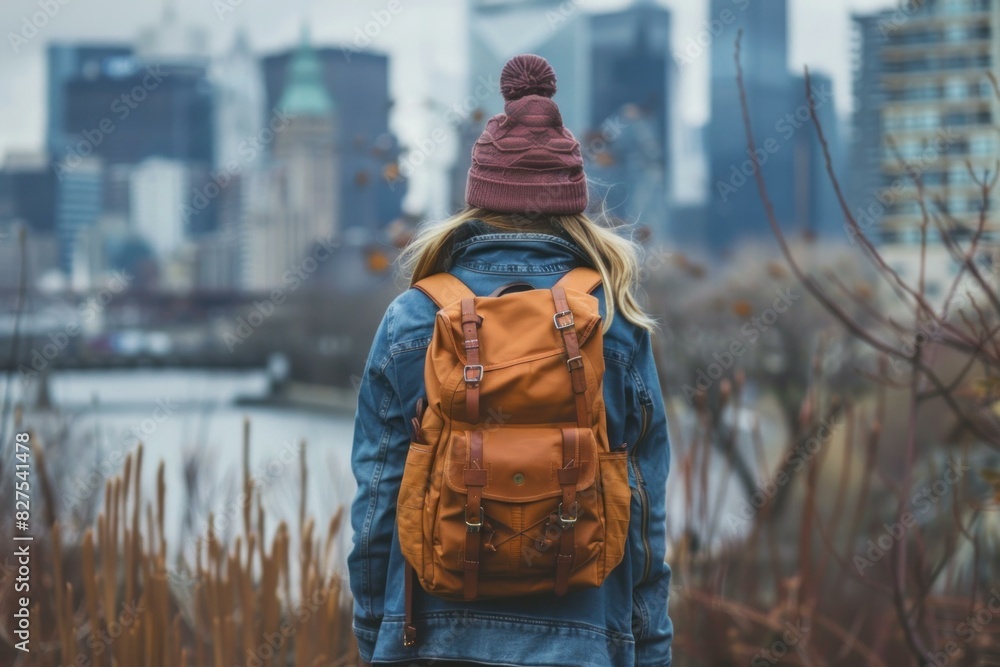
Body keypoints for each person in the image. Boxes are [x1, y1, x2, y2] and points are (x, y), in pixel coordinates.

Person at [348, 54, 673, 667]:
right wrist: (648, 645)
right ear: (573, 204)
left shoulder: (413, 319)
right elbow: (644, 511)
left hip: (432, 642)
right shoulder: (614, 323)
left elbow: (378, 500)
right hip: (585, 646)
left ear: (477, 198)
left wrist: (377, 628)